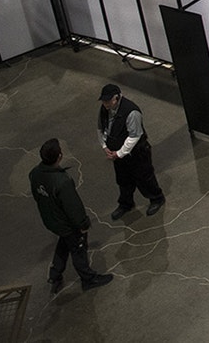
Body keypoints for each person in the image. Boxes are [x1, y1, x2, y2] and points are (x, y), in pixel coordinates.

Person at [29, 138, 113, 294]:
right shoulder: (62, 181)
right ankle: (88, 279)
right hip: (67, 224)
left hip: (52, 221)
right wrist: (83, 224)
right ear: (59, 156)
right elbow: (73, 207)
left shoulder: (35, 173)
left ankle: (55, 275)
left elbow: (36, 195)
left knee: (64, 243)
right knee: (78, 248)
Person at [97, 84, 165, 220]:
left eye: (108, 101)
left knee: (144, 177)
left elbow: (134, 136)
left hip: (137, 154)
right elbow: (101, 127)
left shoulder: (131, 112)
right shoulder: (105, 109)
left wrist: (119, 153)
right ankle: (126, 204)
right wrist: (105, 146)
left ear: (116, 98)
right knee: (123, 180)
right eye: (104, 101)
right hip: (118, 154)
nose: (105, 104)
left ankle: (156, 198)